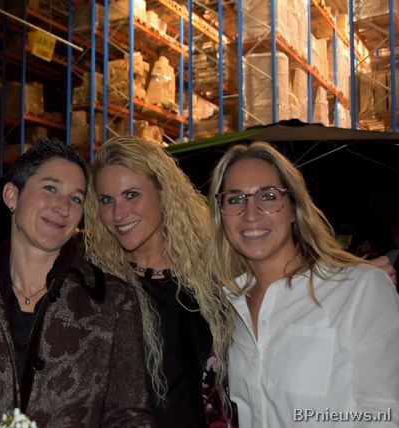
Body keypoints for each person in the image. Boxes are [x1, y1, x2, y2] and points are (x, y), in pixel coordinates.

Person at [0, 138, 154, 427]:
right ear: (12, 196)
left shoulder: (113, 301)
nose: (63, 208)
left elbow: (129, 417)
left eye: (76, 198)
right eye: (50, 188)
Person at [207, 141, 399, 427]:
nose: (250, 213)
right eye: (235, 199)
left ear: (293, 208)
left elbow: (386, 413)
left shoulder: (359, 289)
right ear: (221, 215)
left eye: (268, 196)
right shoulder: (228, 308)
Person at [83, 136, 234, 427]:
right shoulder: (97, 290)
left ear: (163, 193)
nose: (118, 214)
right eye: (106, 200)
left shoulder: (218, 272)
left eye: (131, 195)